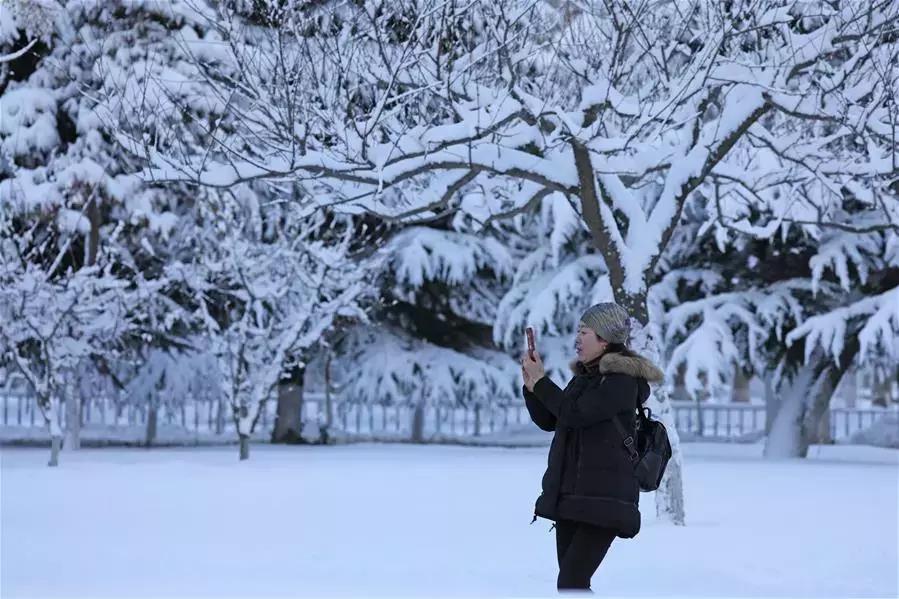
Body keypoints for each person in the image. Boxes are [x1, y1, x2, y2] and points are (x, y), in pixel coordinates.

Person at [520, 302, 664, 593]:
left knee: (572, 581)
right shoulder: (586, 378)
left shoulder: (620, 380)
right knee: (571, 585)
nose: (577, 339)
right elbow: (552, 420)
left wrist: (543, 383)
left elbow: (577, 414)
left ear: (605, 338)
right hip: (573, 496)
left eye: (584, 332)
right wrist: (532, 386)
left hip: (605, 499)